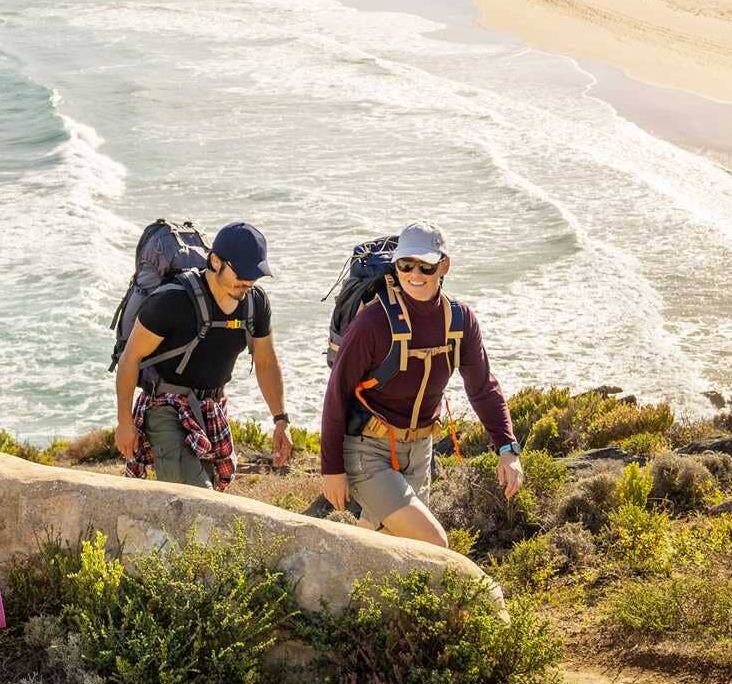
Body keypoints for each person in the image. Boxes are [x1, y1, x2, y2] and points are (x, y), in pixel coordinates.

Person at [318, 222, 521, 548]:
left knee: (383, 547)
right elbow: (336, 394)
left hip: (420, 452)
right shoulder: (373, 322)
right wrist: (332, 470)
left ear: (444, 265)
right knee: (432, 543)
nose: (415, 273)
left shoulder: (460, 321)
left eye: (425, 265)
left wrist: (507, 449)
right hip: (367, 450)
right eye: (405, 264)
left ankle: (332, 592)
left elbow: (482, 387)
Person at [112, 222, 293, 488]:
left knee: (209, 498)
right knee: (193, 497)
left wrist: (281, 420)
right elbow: (130, 358)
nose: (248, 282)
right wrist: (124, 423)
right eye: (241, 273)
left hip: (212, 409)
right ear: (216, 261)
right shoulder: (173, 301)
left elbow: (266, 362)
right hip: (165, 406)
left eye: (254, 275)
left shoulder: (255, 303)